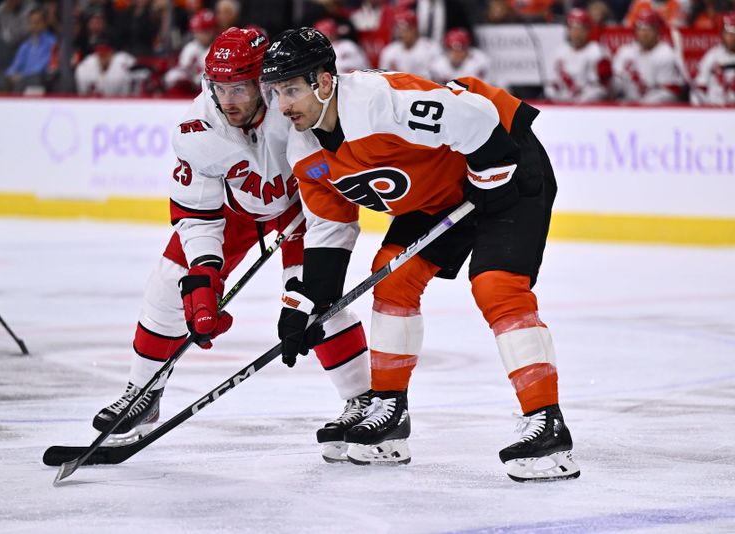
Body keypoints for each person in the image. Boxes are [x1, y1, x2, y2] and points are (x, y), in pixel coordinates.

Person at [262, 27, 580, 481]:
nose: (283, 105)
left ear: (324, 82)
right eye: (275, 92)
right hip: (442, 194)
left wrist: (490, 172)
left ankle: (547, 423)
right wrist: (310, 301)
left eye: (291, 89)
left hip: (506, 156)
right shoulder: (304, 149)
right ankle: (390, 414)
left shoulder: (374, 101)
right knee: (391, 278)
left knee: (496, 285)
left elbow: (473, 115)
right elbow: (331, 228)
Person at [92, 28, 371, 465]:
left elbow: (329, 189)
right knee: (170, 283)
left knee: (315, 299)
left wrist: (304, 276)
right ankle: (142, 392)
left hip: (302, 206)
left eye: (240, 87)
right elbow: (199, 214)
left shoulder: (294, 105)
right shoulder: (197, 127)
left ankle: (364, 402)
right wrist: (204, 274)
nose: (229, 100)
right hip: (234, 211)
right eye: (220, 88)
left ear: (263, 82)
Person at [612, 8, 685, 104]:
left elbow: (669, 93)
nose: (644, 33)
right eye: (640, 28)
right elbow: (616, 86)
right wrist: (607, 79)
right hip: (629, 106)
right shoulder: (625, 52)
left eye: (649, 28)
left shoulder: (666, 54)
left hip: (657, 111)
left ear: (657, 31)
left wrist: (641, 107)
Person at [545, 8, 612, 103]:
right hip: (562, 107)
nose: (576, 33)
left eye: (581, 28)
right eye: (572, 28)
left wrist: (579, 103)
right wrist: (559, 99)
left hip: (590, 108)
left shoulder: (598, 52)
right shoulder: (558, 53)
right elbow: (551, 85)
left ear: (588, 30)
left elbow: (602, 89)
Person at [378, 10, 440, 79]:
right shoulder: (389, 51)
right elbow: (383, 79)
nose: (402, 33)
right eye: (399, 29)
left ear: (415, 29)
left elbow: (438, 77)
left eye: (406, 29)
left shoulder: (431, 48)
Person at [693, 11, 735, 105]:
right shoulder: (712, 55)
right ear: (722, 34)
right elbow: (700, 86)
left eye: (734, 33)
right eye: (728, 33)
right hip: (714, 111)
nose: (732, 37)